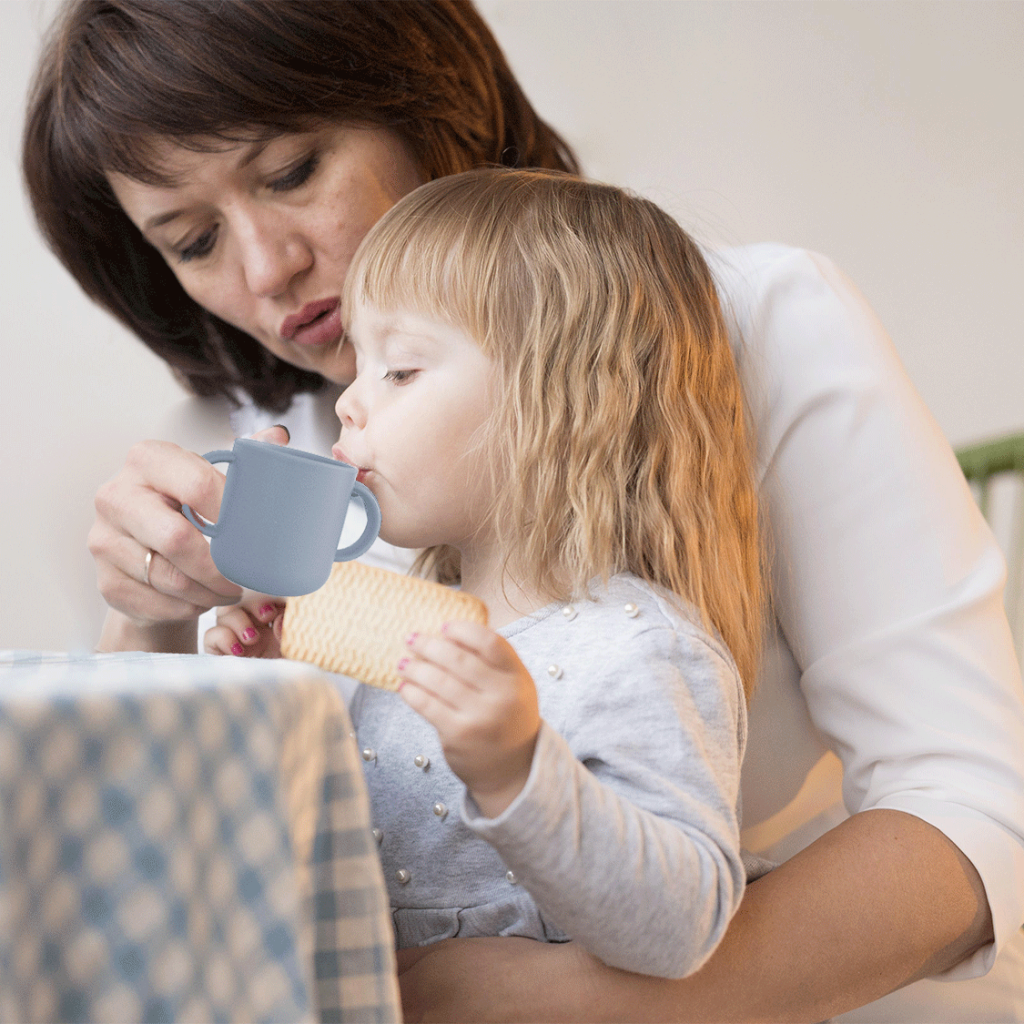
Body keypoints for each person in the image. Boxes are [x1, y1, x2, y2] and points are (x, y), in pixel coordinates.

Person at [21, 1, 1024, 1020]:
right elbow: (129, 850)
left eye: (289, 173)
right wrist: (148, 612)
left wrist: (574, 1002)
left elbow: (968, 811)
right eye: (192, 241)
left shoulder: (748, 329)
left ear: (423, 99)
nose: (265, 268)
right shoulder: (261, 444)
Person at [212, 166, 766, 978]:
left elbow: (681, 929)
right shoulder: (409, 621)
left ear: (566, 400)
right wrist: (268, 693)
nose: (348, 404)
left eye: (399, 370)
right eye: (359, 367)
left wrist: (518, 771)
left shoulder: (642, 649)